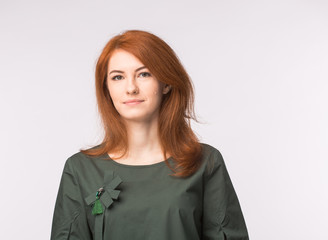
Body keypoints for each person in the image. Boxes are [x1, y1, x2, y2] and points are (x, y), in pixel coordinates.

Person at [50, 30, 249, 240]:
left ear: (167, 83)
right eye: (117, 77)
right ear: (107, 89)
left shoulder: (204, 163)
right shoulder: (80, 170)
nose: (131, 88)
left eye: (144, 74)